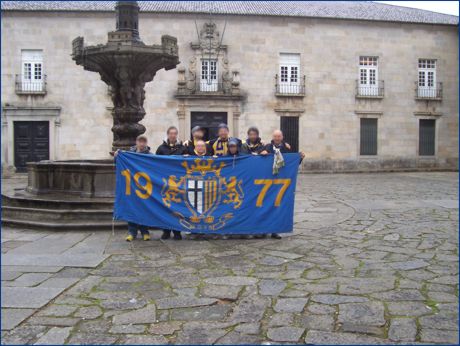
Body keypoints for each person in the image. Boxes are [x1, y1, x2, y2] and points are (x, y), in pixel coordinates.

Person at [260, 129, 306, 239]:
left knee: (277, 206)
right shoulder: (267, 147)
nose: (277, 138)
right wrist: (261, 153)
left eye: (279, 136)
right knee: (265, 205)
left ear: (282, 137)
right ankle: (262, 229)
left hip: (280, 182)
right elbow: (258, 160)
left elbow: (292, 162)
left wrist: (300, 158)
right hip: (268, 181)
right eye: (275, 136)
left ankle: (275, 230)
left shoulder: (286, 148)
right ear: (273, 137)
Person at [114, 134, 152, 242]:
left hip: (144, 187)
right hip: (131, 186)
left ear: (146, 143)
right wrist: (117, 156)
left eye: (144, 141)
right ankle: (132, 232)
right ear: (136, 142)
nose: (142, 143)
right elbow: (118, 165)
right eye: (140, 141)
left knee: (144, 209)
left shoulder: (150, 155)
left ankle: (145, 231)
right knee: (131, 208)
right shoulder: (129, 154)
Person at [155, 126, 186, 240]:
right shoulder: (161, 148)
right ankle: (166, 231)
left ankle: (177, 231)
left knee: (177, 207)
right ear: (168, 135)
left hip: (178, 182)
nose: (173, 135)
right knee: (165, 206)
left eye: (175, 133)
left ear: (177, 135)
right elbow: (154, 162)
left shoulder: (182, 148)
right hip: (164, 181)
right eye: (171, 133)